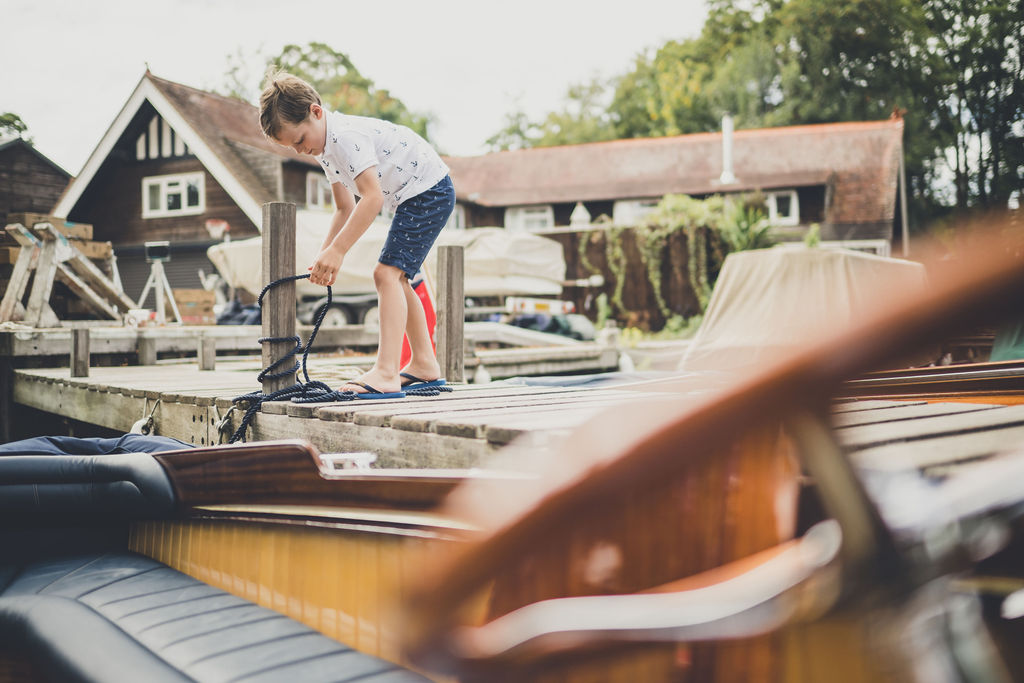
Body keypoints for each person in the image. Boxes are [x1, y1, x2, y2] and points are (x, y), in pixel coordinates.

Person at [259, 71, 454, 399]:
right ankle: (423, 364)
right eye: (291, 146)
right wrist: (325, 254)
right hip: (416, 195)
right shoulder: (325, 151)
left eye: (299, 139)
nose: (300, 150)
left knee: (385, 275)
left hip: (428, 190)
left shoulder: (345, 137)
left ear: (316, 112)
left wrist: (339, 251)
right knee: (398, 277)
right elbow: (344, 208)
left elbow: (372, 197)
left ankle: (388, 372)